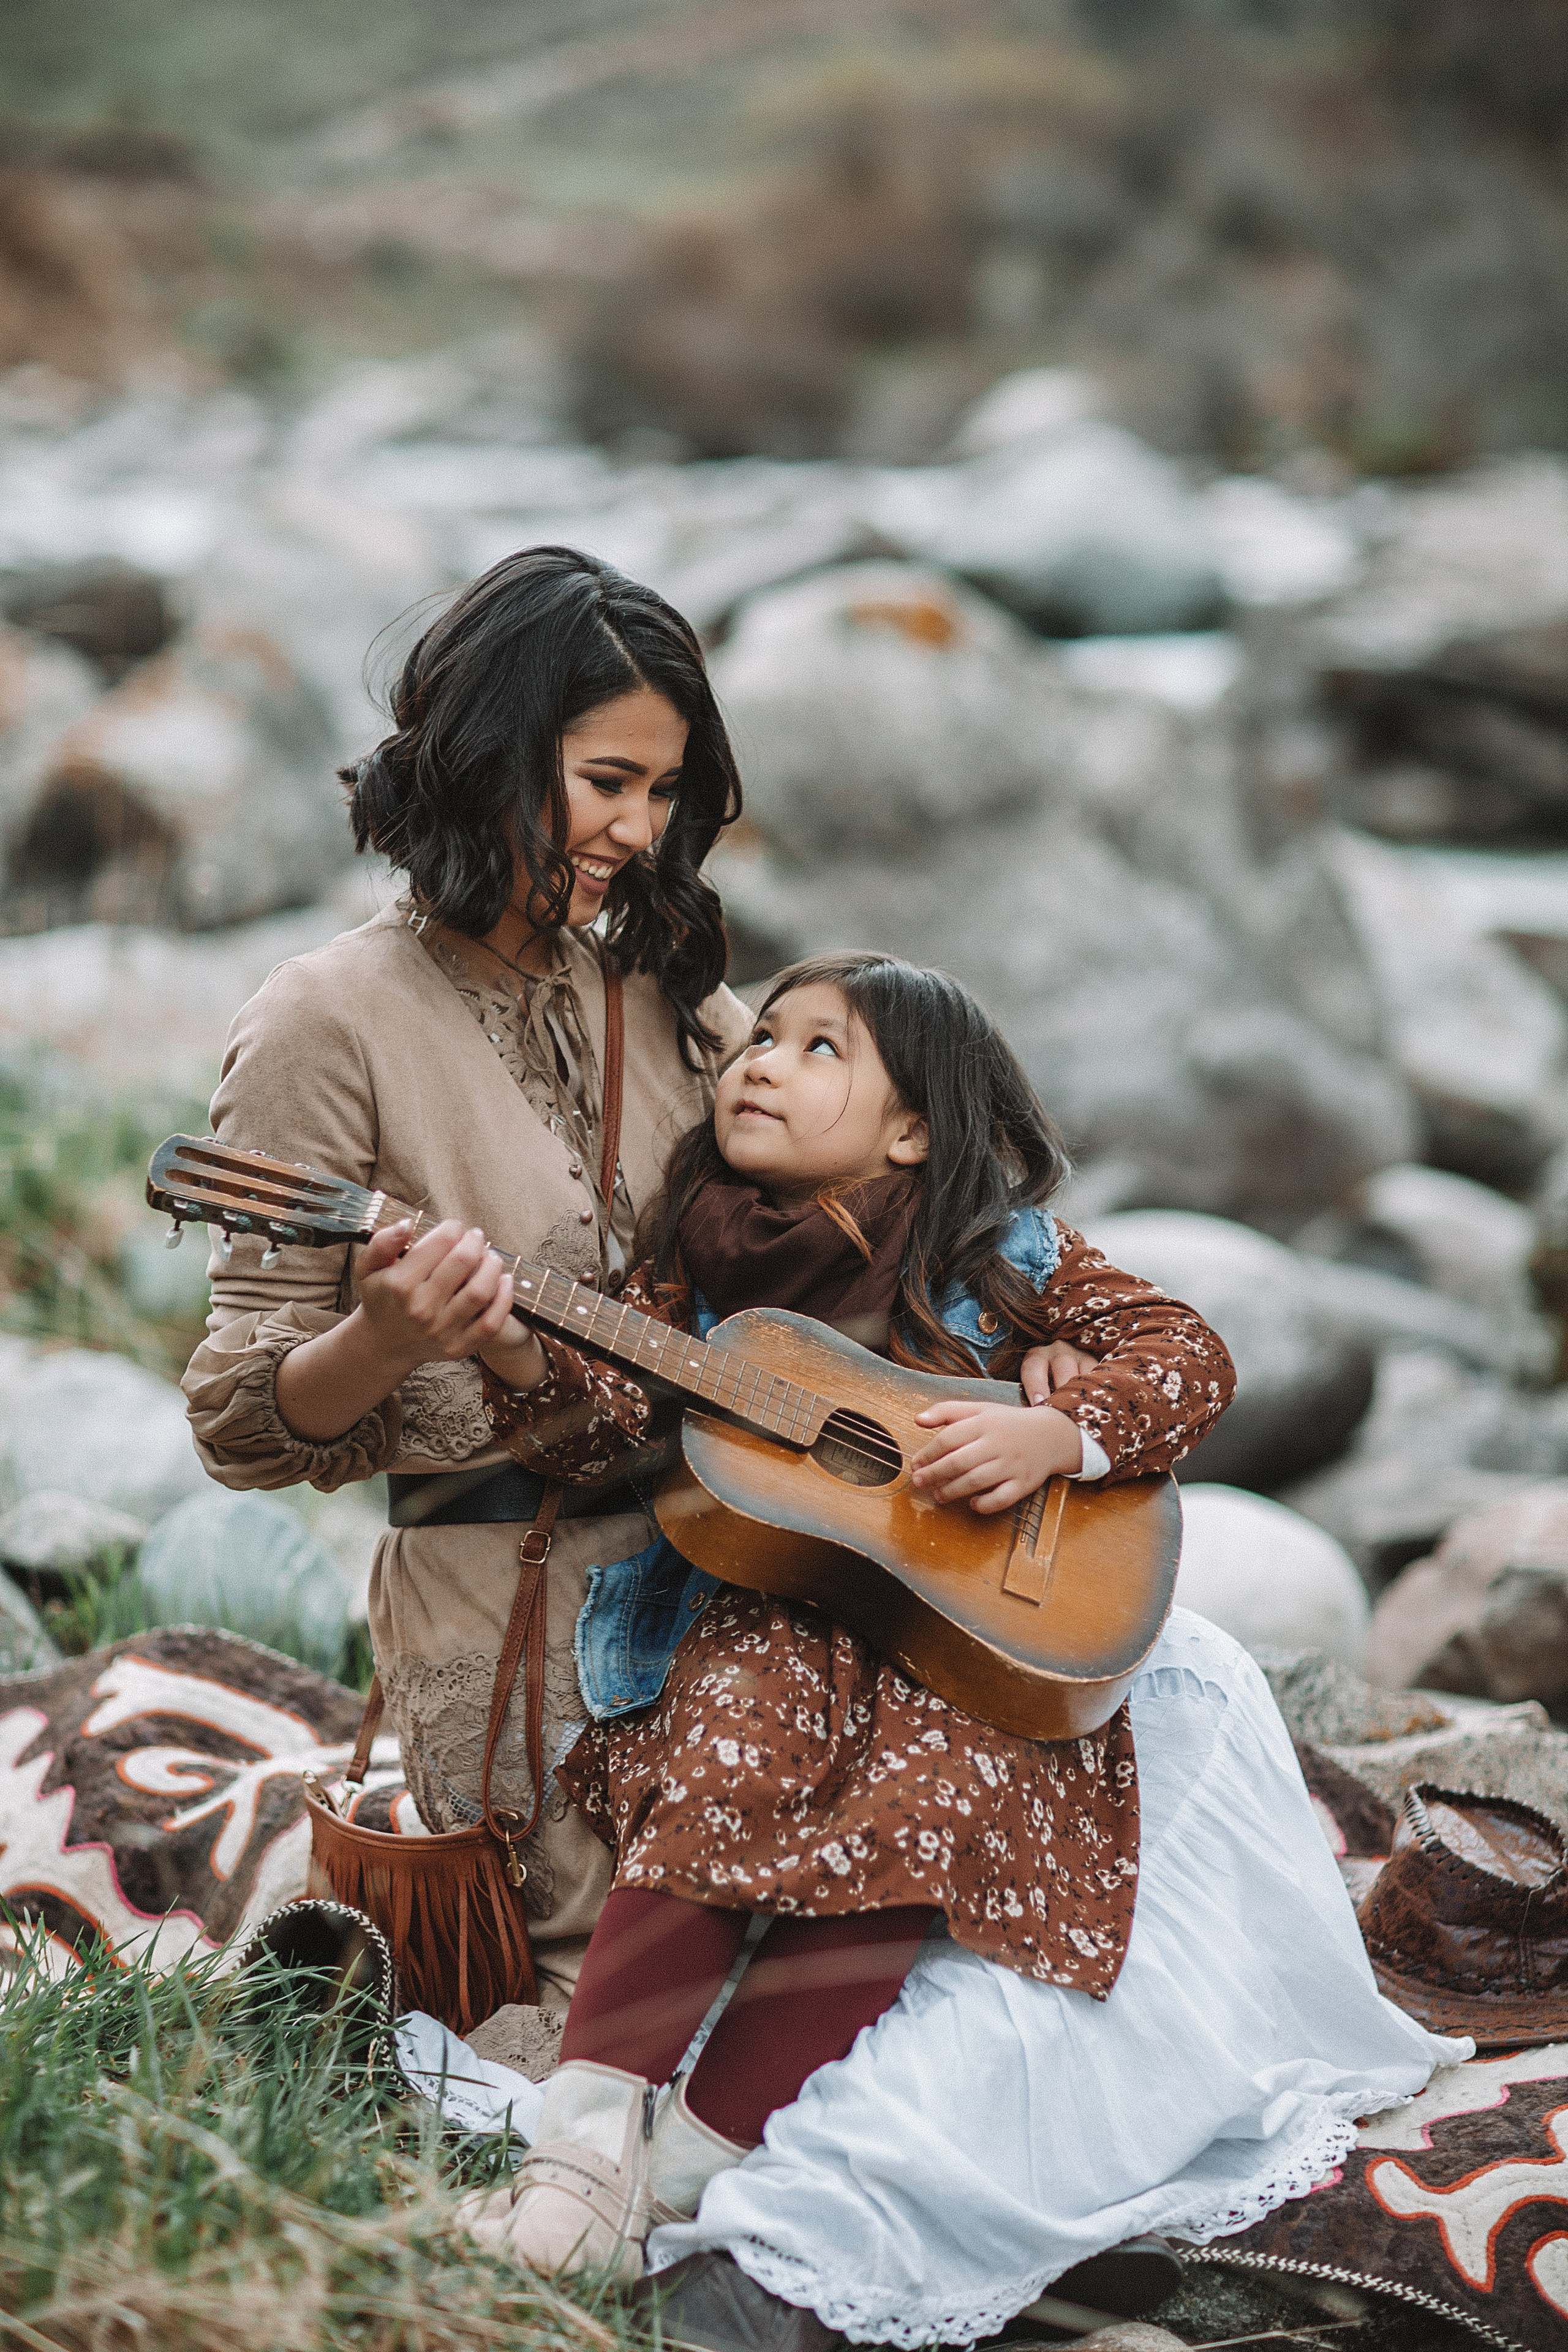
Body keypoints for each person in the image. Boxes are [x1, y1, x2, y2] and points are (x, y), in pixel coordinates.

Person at [459, 949, 1428, 2316]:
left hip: (973, 1653)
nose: (760, 1063)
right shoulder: (690, 1260)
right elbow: (603, 1425)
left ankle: (682, 2170)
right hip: (764, 1621)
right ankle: (578, 2153)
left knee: (922, 1825)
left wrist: (1058, 1433)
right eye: (761, 1038)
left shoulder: (1004, 1252)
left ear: (912, 1128)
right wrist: (509, 1342)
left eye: (818, 1049)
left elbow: (1188, 1355)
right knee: (728, 1750)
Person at [181, 545, 766, 2010]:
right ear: (493, 753)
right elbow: (242, 1422)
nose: (637, 829)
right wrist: (384, 1337)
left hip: (748, 1567)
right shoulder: (325, 1021)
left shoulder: (666, 993)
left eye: (662, 791)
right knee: (628, 2011)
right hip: (510, 1616)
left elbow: (859, 1205)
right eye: (604, 780)